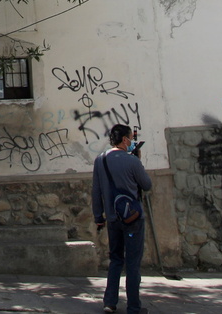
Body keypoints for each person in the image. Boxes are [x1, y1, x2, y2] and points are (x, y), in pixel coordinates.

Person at [91, 124, 152, 314]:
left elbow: (96, 191)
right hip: (133, 218)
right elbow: (146, 184)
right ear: (125, 140)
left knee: (115, 259)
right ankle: (133, 306)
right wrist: (138, 161)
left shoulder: (100, 160)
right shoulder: (132, 161)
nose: (131, 142)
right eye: (130, 138)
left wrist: (98, 216)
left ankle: (109, 302)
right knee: (133, 263)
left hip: (112, 218)